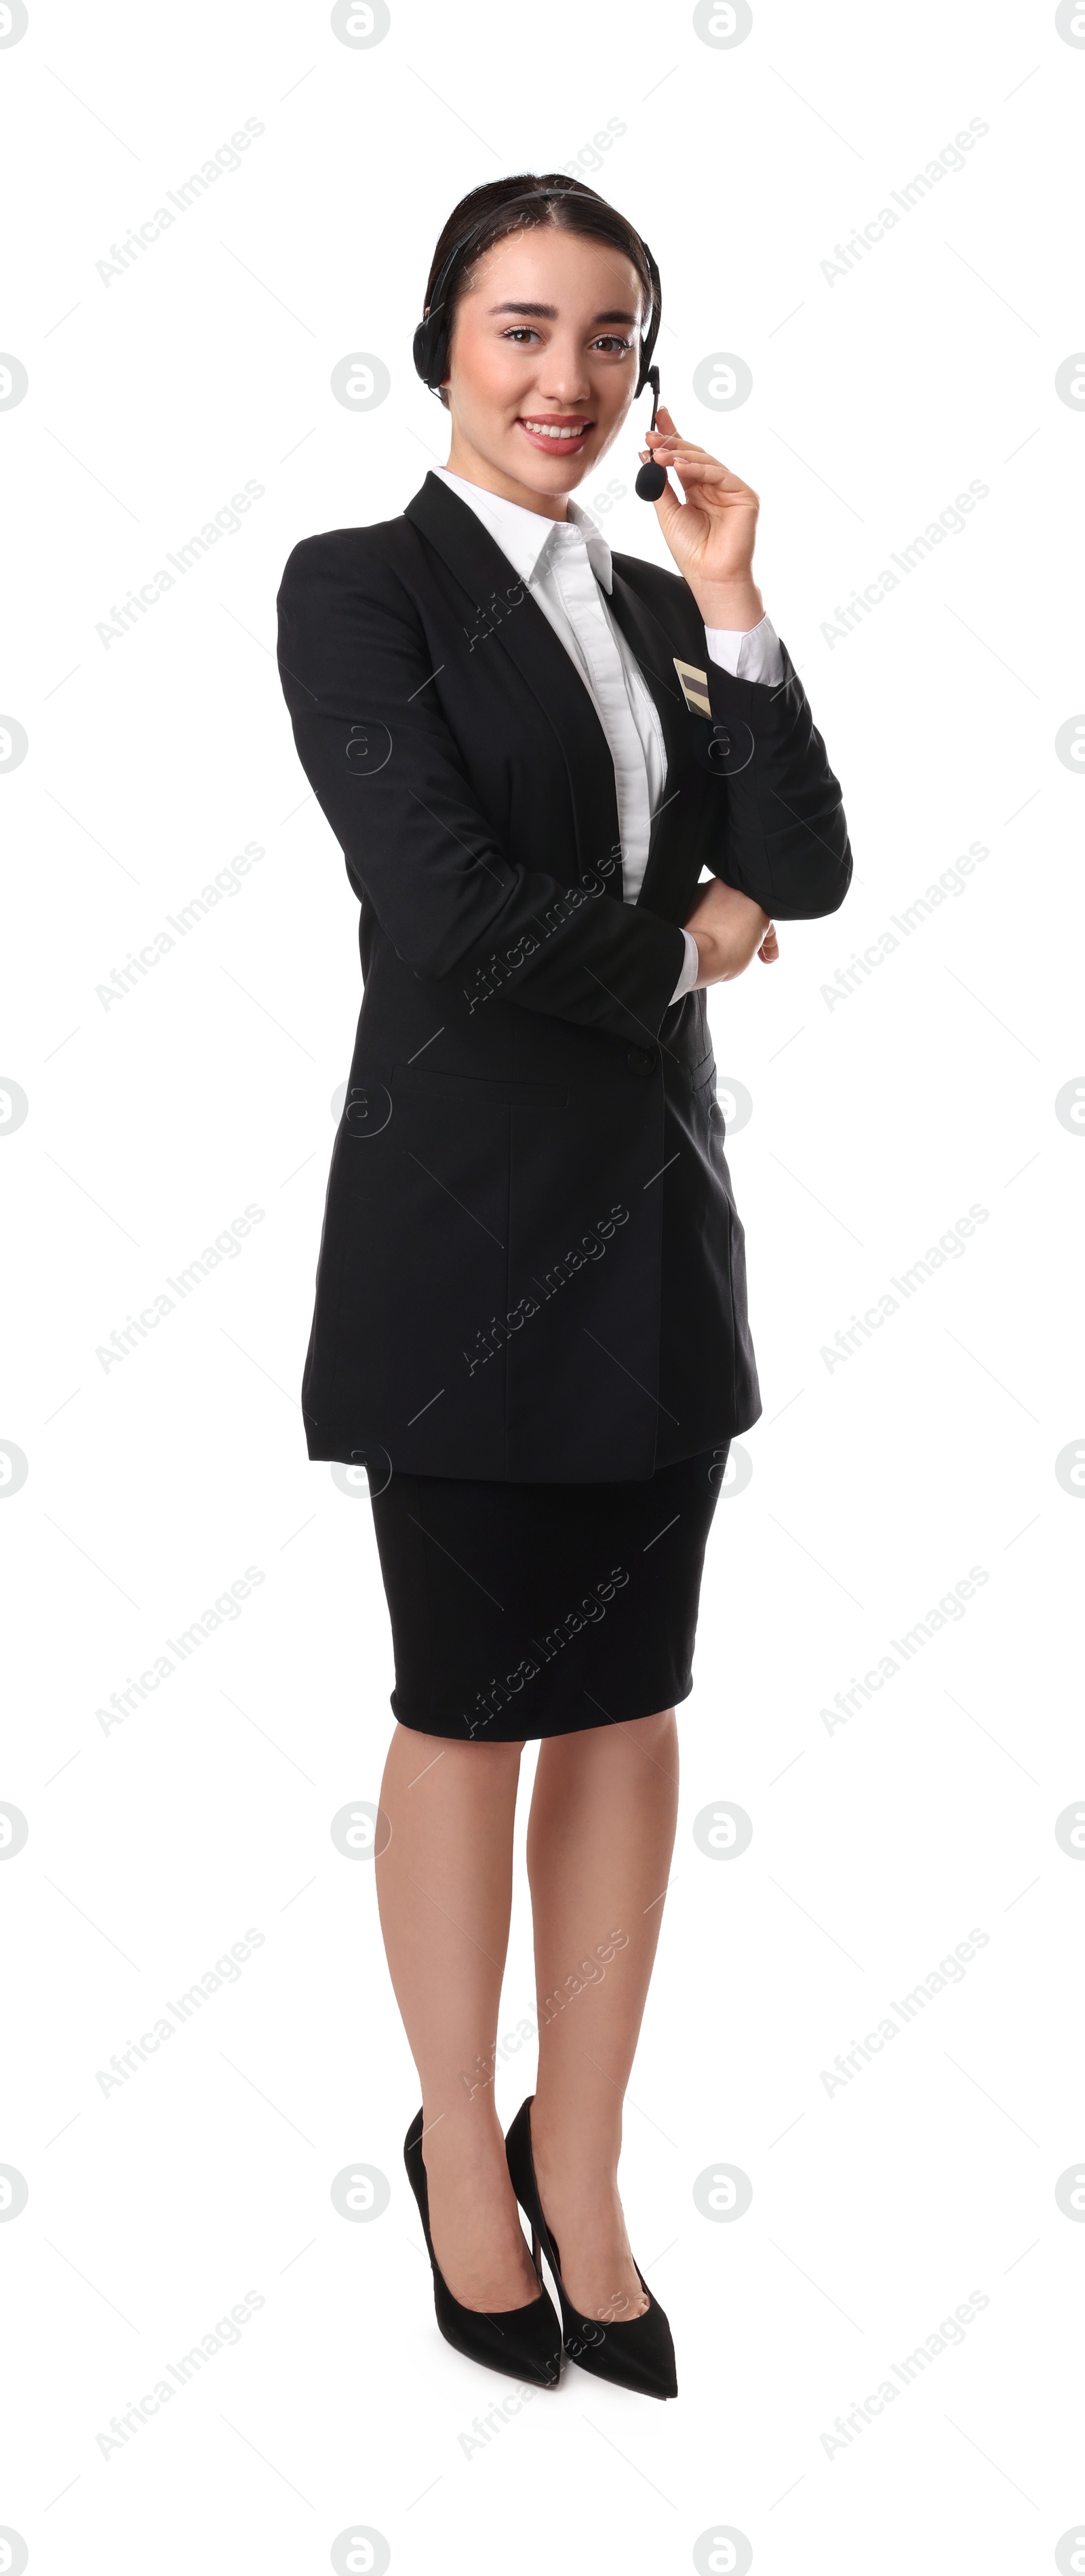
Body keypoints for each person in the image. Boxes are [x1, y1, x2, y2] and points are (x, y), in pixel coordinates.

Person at [276, 172, 851, 2399]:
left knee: (626, 1705)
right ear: (442, 347)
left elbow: (802, 859)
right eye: (523, 331)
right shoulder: (362, 592)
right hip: (458, 1247)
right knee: (468, 1708)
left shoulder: (649, 589)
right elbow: (445, 912)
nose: (568, 379)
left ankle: (580, 2164)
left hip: (654, 1240)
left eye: (610, 339)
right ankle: (454, 2168)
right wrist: (691, 942)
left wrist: (736, 596)